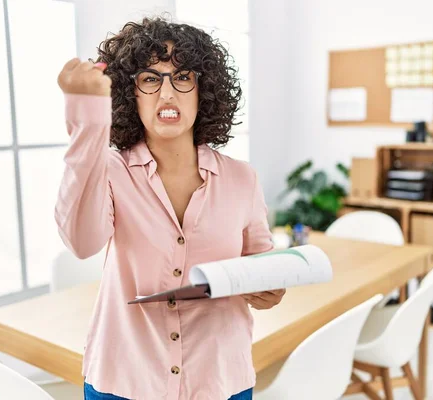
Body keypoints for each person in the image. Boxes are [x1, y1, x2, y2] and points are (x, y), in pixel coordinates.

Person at [55, 16, 285, 400]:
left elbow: (260, 263)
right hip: (124, 380)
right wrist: (88, 120)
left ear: (203, 89)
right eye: (150, 78)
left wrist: (270, 289)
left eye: (182, 77)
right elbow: (81, 242)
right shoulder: (110, 171)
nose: (167, 94)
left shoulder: (242, 179)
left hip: (219, 380)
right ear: (131, 94)